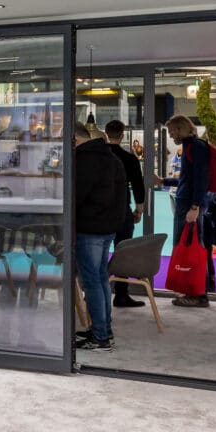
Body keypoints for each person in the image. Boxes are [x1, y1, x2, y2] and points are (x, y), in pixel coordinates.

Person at [156, 115, 216, 307]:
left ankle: (198, 294)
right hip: (188, 204)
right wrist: (165, 181)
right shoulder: (192, 147)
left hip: (190, 206)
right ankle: (194, 291)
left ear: (181, 129)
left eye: (172, 132)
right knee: (190, 247)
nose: (171, 136)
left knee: (193, 248)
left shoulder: (195, 147)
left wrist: (195, 206)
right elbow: (189, 180)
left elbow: (200, 180)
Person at [72, 121, 127, 351]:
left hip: (90, 228)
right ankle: (104, 330)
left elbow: (77, 196)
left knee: (92, 281)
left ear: (74, 140)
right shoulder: (111, 158)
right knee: (101, 279)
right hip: (107, 228)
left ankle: (100, 336)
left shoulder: (84, 160)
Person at [104, 120, 147, 308]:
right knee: (122, 253)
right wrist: (139, 210)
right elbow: (138, 186)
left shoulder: (100, 157)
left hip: (100, 212)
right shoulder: (130, 159)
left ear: (106, 133)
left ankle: (94, 294)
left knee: (99, 252)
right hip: (122, 210)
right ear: (122, 135)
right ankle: (121, 295)